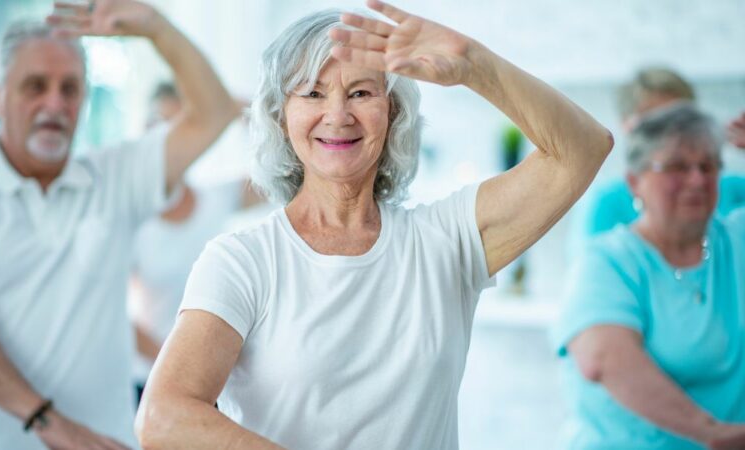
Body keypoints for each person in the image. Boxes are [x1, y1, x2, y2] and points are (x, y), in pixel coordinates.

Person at [135, 2, 613, 449]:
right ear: (282, 119)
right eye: (313, 93)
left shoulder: (445, 241)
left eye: (361, 92)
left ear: (393, 113)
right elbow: (163, 416)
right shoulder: (242, 260)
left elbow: (583, 149)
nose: (337, 115)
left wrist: (473, 65)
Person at [0, 0, 239, 448]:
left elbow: (214, 114)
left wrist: (157, 29)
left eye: (70, 88)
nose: (54, 103)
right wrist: (51, 424)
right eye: (35, 86)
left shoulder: (113, 178)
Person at [553, 104, 745, 449]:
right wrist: (715, 434)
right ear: (634, 181)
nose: (698, 179)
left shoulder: (736, 238)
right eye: (676, 167)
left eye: (707, 166)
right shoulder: (607, 260)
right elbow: (604, 359)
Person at [129, 81, 255, 401]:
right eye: (163, 125)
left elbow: (284, 175)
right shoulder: (131, 219)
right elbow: (116, 316)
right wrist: (178, 368)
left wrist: (239, 110)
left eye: (181, 125)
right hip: (154, 384)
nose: (172, 138)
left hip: (216, 384)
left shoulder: (216, 199)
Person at [573, 67, 745, 240]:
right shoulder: (604, 204)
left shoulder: (729, 189)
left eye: (681, 120)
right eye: (654, 123)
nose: (670, 134)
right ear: (626, 125)